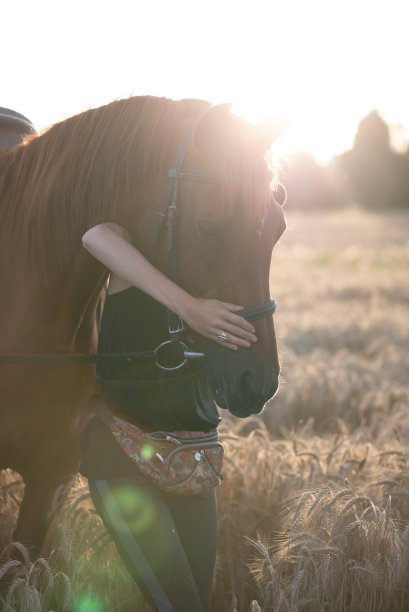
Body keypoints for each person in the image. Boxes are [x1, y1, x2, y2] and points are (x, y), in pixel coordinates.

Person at [79, 221, 257, 612]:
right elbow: (95, 236)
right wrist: (191, 309)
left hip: (195, 462)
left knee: (196, 603)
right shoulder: (136, 255)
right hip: (123, 456)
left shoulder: (214, 283)